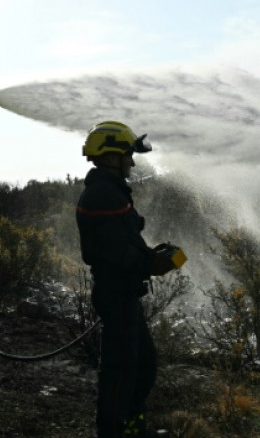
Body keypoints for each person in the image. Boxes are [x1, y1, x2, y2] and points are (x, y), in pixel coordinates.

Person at [76, 120, 178, 438]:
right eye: (127, 155)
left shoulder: (111, 191)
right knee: (119, 371)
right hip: (116, 291)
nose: (131, 162)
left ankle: (132, 427)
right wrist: (153, 263)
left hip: (123, 291)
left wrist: (149, 256)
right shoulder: (104, 194)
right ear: (110, 156)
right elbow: (116, 253)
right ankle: (113, 432)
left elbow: (125, 240)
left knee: (143, 365)